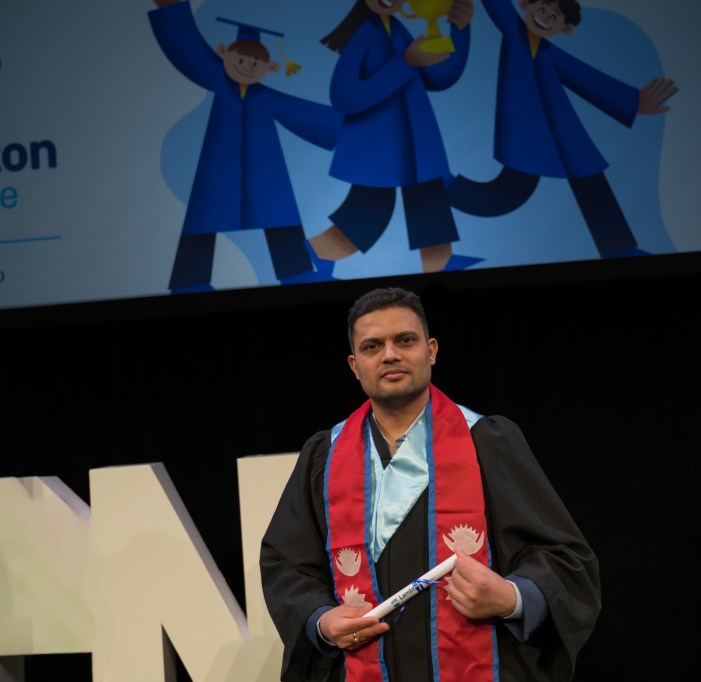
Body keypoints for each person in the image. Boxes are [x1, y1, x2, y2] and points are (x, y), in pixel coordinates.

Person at [260, 286, 600, 680]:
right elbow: (287, 564)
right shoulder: (324, 456)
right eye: (372, 346)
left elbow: (564, 558)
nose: (390, 354)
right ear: (354, 365)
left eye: (405, 340)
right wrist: (320, 620)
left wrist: (511, 597)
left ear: (432, 350)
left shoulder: (485, 441)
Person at [447, 0, 678, 259]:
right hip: (526, 133)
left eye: (554, 16)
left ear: (564, 28)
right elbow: (498, 6)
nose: (545, 17)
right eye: (542, 9)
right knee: (507, 192)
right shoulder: (514, 29)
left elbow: (585, 78)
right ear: (525, 5)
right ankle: (444, 188)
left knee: (591, 183)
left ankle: (619, 248)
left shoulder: (551, 53)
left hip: (562, 130)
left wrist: (635, 101)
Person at [149, 0, 343, 292]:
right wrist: (171, 9)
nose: (246, 67)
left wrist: (354, 129)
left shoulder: (266, 97)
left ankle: (298, 276)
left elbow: (301, 114)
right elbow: (189, 51)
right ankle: (190, 282)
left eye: (255, 63)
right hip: (219, 169)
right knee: (203, 223)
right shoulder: (217, 77)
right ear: (224, 54)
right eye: (241, 59)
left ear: (269, 68)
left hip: (265, 173)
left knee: (280, 219)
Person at [304, 0, 481, 275]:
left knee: (428, 203)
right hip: (378, 148)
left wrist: (459, 30)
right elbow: (344, 95)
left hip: (413, 142)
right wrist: (405, 63)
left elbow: (437, 77)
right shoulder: (365, 34)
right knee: (368, 214)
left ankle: (440, 265)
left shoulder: (396, 29)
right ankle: (308, 256)